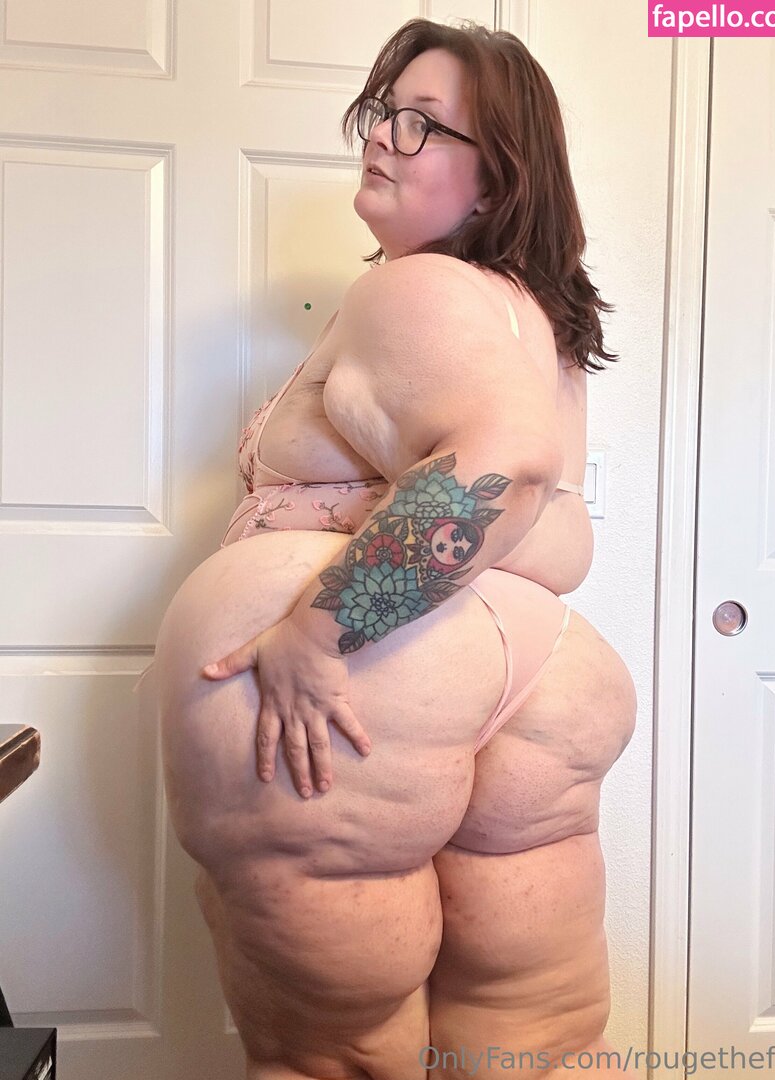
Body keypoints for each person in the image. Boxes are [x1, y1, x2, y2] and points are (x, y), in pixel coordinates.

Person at [149, 18, 638, 1080]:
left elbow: (502, 467)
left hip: (370, 679)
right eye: (385, 112)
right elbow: (547, 517)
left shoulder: (412, 289)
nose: (382, 135)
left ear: (497, 181)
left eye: (423, 123)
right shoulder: (531, 321)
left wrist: (324, 634)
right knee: (538, 1046)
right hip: (545, 677)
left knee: (334, 1059)